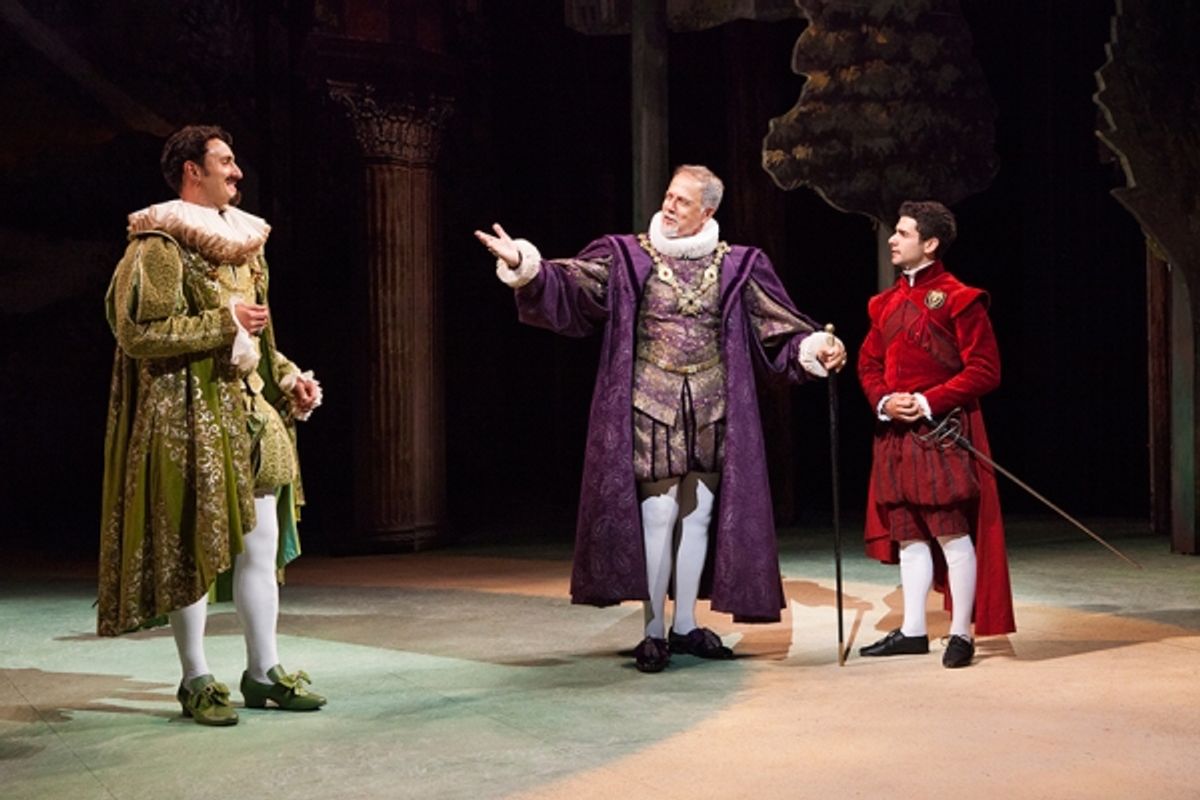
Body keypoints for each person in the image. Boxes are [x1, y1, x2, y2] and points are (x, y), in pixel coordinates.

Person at [474, 165, 846, 672]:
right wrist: (526, 263)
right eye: (668, 197)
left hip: (714, 407)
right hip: (651, 404)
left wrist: (818, 346)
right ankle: (653, 631)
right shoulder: (629, 255)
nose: (669, 207)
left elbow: (778, 327)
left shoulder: (739, 264)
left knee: (699, 516)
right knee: (659, 514)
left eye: (682, 202)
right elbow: (574, 281)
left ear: (707, 212)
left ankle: (686, 623)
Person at [97, 125, 326, 724]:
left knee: (260, 546)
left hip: (247, 412)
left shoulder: (247, 241)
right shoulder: (160, 243)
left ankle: (262, 672)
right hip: (188, 416)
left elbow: (258, 337)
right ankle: (196, 678)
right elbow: (137, 334)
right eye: (225, 162)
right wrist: (225, 325)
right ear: (191, 171)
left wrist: (288, 377)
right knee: (191, 546)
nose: (238, 172)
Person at [857, 200, 1015, 669]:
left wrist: (926, 401)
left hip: (942, 434)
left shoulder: (959, 298)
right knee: (908, 534)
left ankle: (961, 633)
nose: (892, 239)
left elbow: (985, 370)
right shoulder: (883, 304)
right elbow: (869, 363)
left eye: (902, 233)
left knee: (949, 532)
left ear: (929, 244)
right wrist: (885, 400)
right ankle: (912, 630)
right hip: (897, 437)